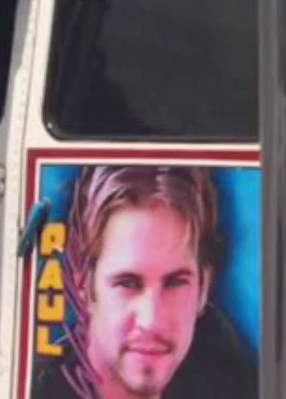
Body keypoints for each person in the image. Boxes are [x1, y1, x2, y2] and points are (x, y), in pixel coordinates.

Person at [32, 165, 256, 399]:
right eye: (128, 284)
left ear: (203, 288)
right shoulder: (38, 389)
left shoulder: (230, 376)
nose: (151, 320)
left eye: (175, 283)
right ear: (83, 287)